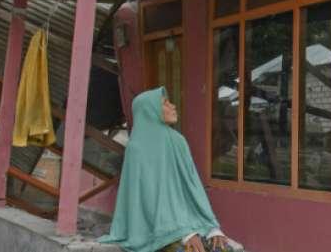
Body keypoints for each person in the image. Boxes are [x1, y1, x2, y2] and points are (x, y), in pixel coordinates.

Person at [100, 87, 234, 252]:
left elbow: (193, 186)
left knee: (223, 249)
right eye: (165, 103)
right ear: (150, 110)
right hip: (154, 228)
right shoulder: (137, 148)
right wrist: (183, 233)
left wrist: (212, 226)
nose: (173, 106)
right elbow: (149, 198)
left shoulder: (178, 141)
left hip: (187, 220)